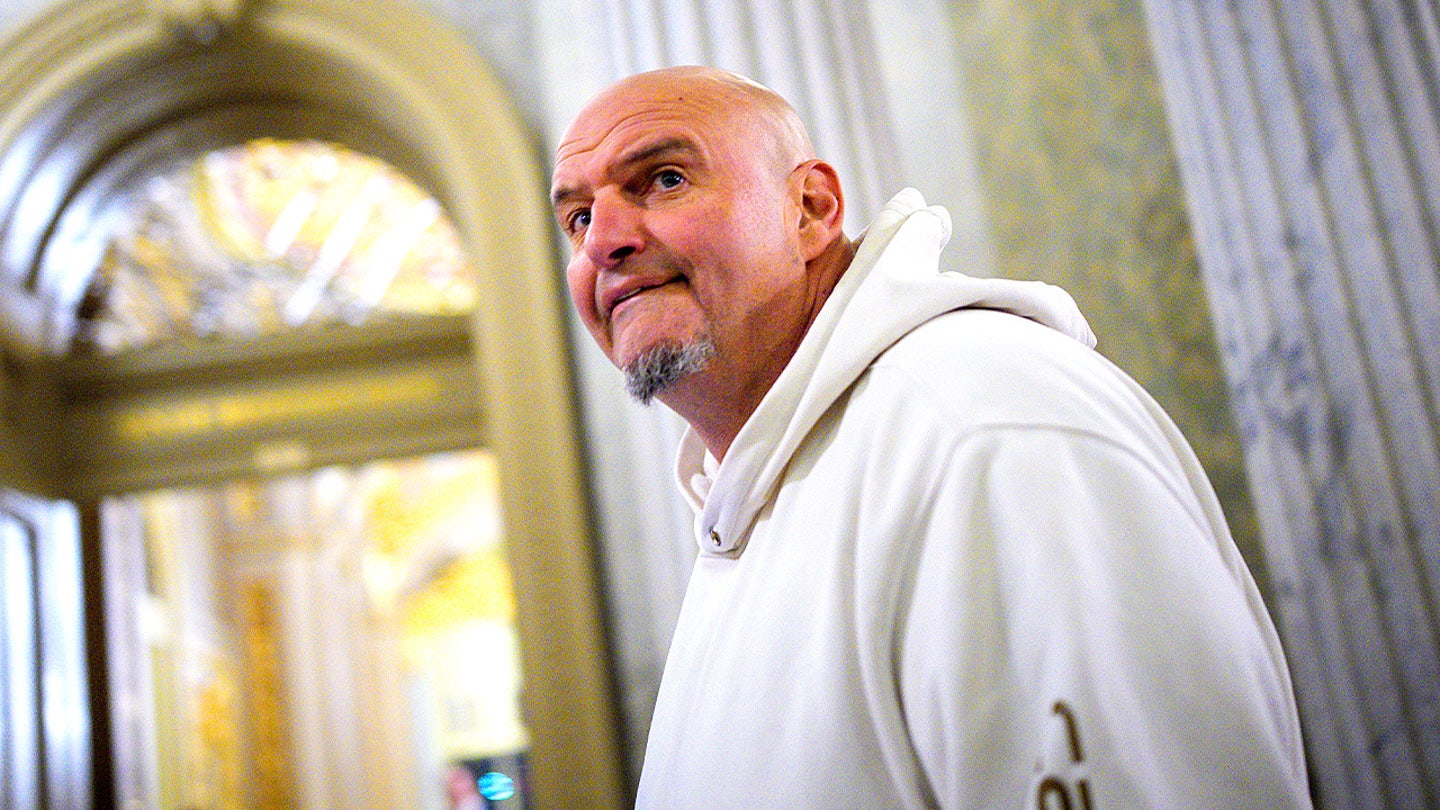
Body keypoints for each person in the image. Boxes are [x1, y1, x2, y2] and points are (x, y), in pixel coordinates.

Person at [551, 65, 1312, 809]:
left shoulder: (980, 428)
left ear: (811, 208)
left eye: (665, 179)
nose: (602, 243)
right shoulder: (761, 491)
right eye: (578, 218)